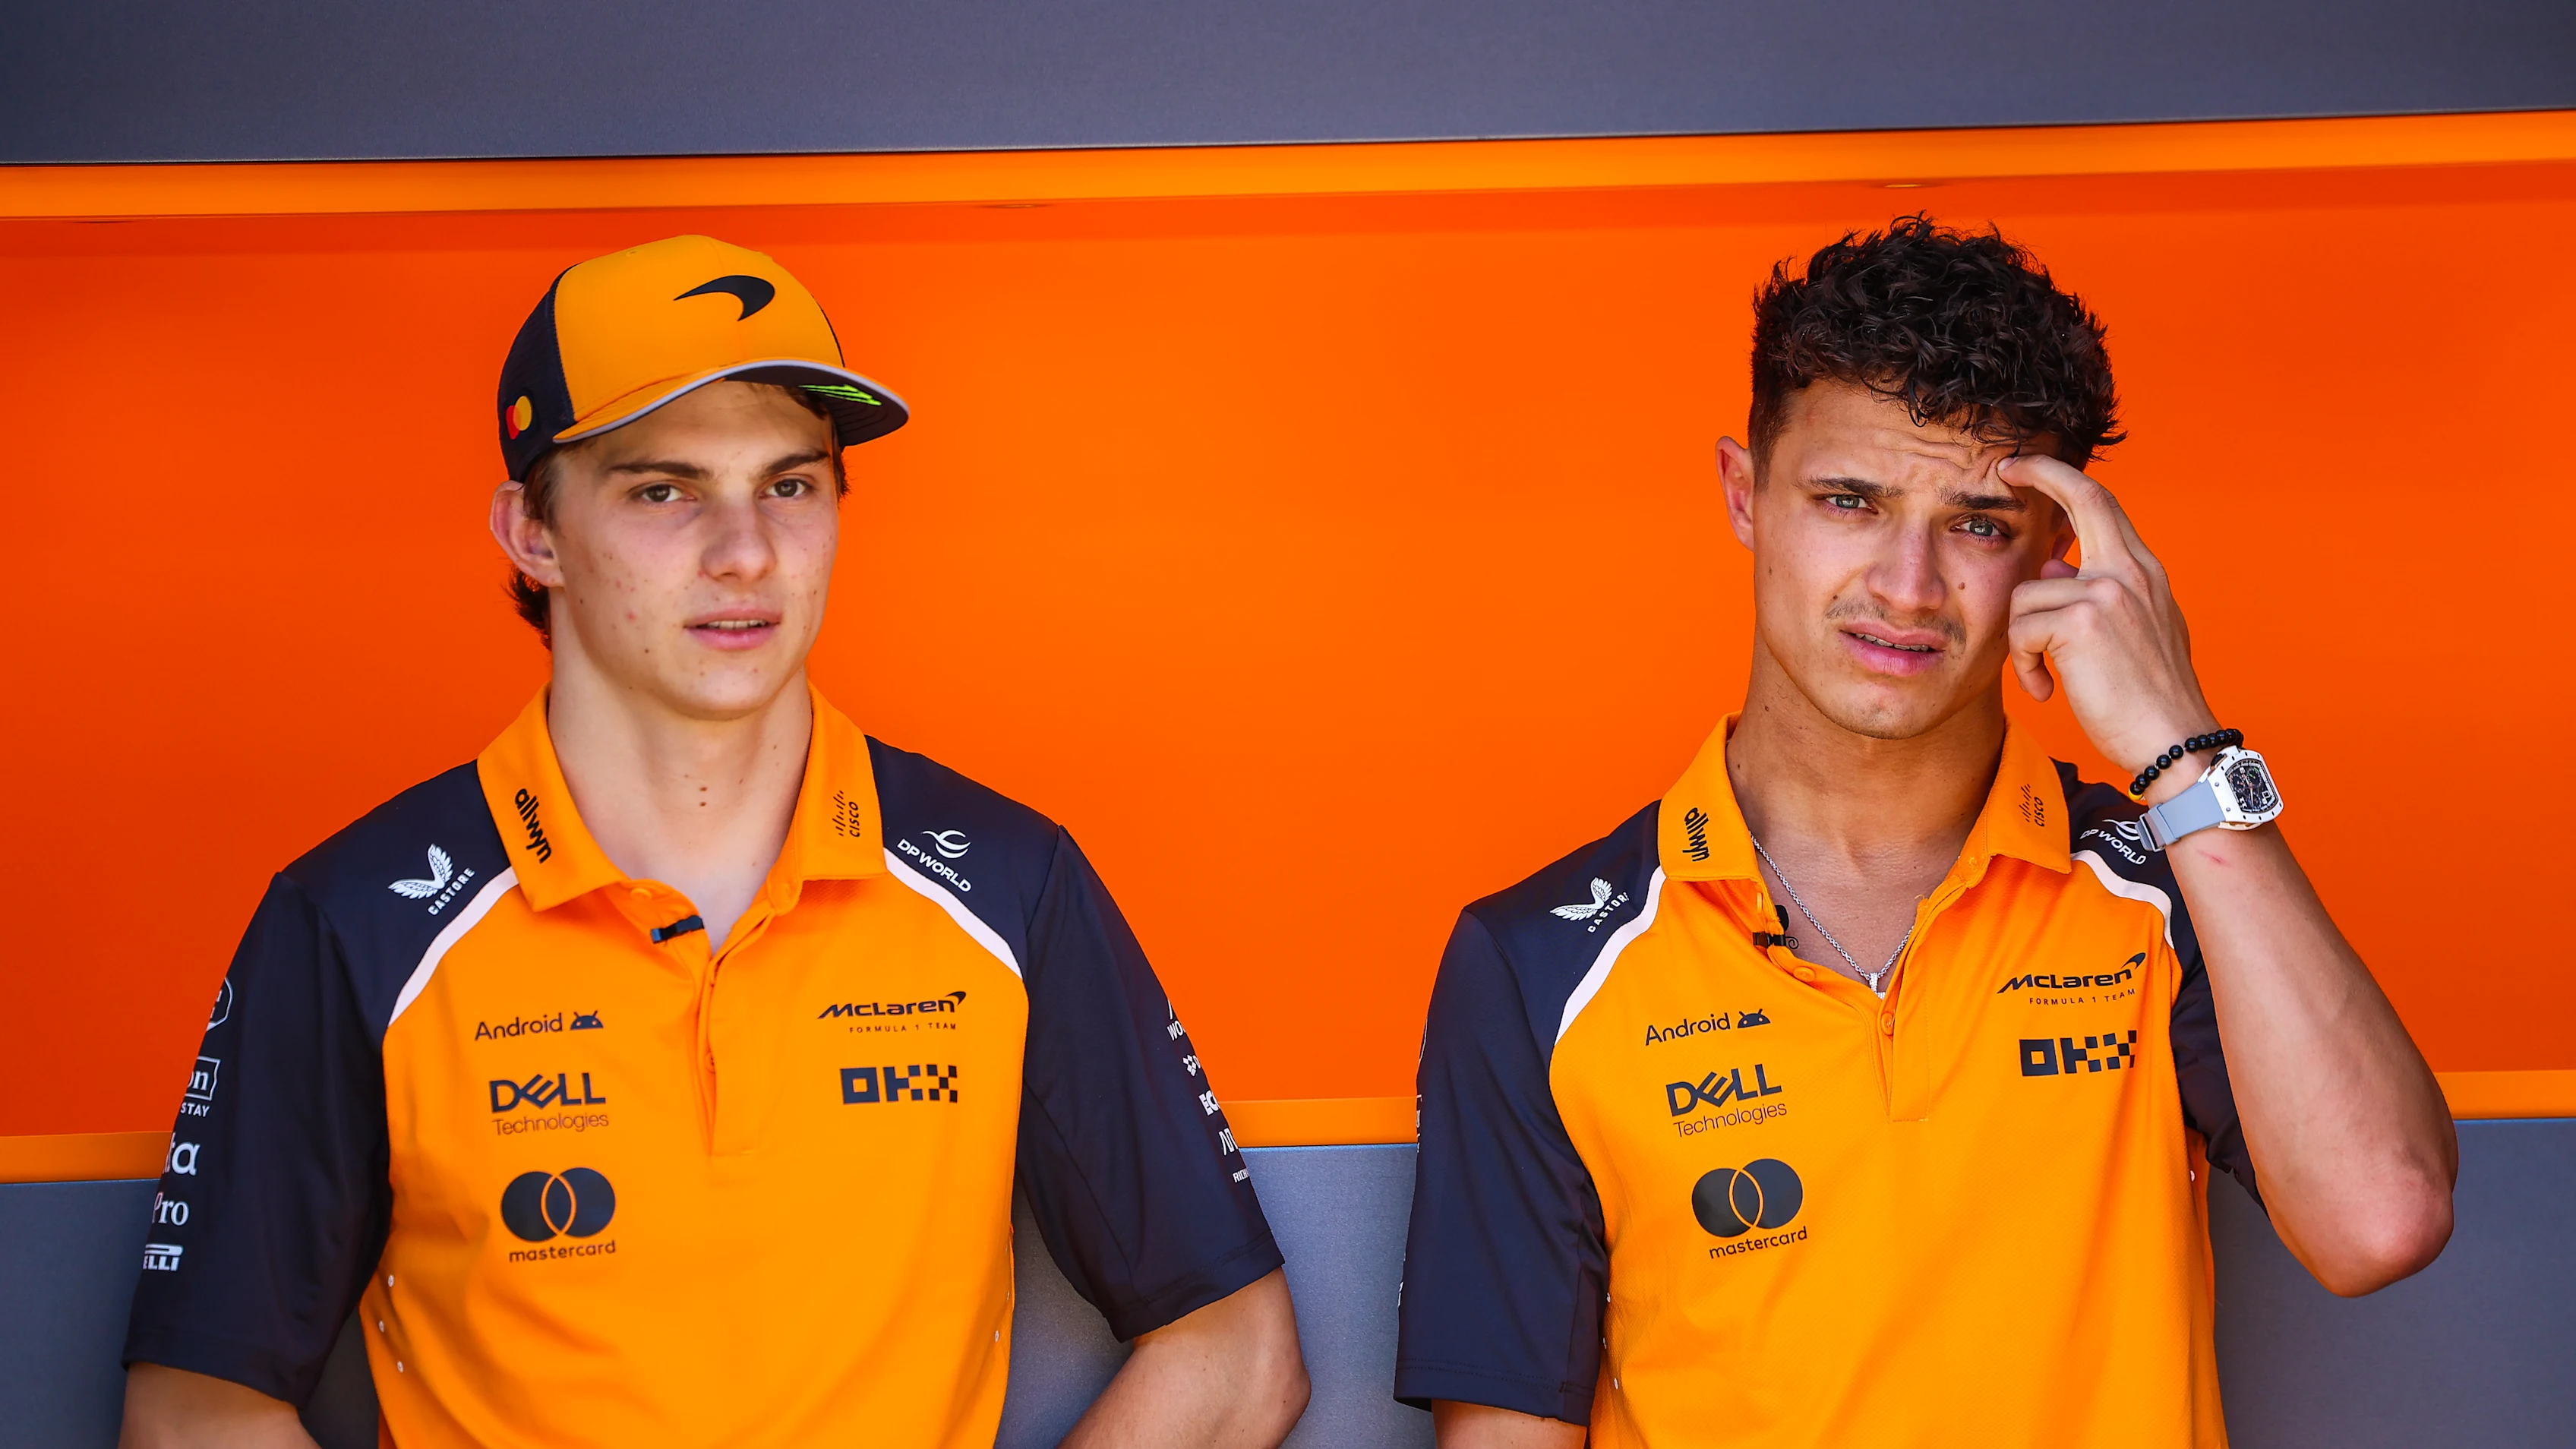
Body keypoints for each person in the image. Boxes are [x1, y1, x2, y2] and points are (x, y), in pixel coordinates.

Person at [119, 235, 1309, 1448]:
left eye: (789, 485)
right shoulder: (358, 918)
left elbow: (1236, 1351)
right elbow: (191, 1413)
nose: (746, 553)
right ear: (533, 533)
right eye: (664, 489)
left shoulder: (1006, 885)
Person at [1393, 217, 2455, 1447]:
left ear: (2063, 556)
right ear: (1746, 496)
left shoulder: (2171, 886)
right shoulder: (1539, 964)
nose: (1907, 585)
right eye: (1851, 499)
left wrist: (2183, 747)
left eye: (1979, 524)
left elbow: (2381, 1219)